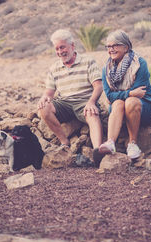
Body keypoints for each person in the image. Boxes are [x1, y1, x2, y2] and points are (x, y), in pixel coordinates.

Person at [37, 29, 103, 161]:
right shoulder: (54, 68)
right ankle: (64, 142)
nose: (60, 52)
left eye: (62, 47)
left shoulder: (88, 61)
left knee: (92, 113)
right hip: (64, 103)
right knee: (43, 108)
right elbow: (49, 93)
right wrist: (44, 98)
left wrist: (91, 102)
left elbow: (98, 86)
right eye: (57, 49)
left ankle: (98, 151)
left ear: (72, 46)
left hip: (84, 101)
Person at [99, 30, 151, 159]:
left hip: (144, 107)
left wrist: (122, 94)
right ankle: (110, 143)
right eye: (108, 46)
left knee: (130, 101)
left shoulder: (139, 63)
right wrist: (129, 92)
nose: (111, 49)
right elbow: (109, 96)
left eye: (115, 45)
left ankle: (132, 144)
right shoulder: (106, 69)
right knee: (118, 103)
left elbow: (140, 93)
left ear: (126, 47)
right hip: (119, 109)